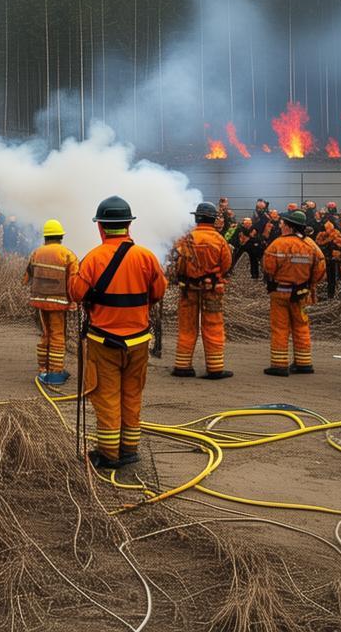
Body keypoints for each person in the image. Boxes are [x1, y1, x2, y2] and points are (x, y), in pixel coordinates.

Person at [68, 196, 166, 470]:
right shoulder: (146, 256)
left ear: (100, 227)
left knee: (107, 396)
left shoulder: (93, 259)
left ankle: (109, 454)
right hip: (138, 342)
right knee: (132, 394)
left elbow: (76, 294)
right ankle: (129, 450)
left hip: (104, 342)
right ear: (128, 226)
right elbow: (158, 291)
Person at [171, 202, 234, 379]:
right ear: (213, 219)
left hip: (187, 289)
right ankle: (215, 368)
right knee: (213, 325)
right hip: (211, 289)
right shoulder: (219, 239)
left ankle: (182, 366)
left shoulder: (185, 238)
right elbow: (226, 263)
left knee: (186, 326)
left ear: (197, 218)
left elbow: (176, 264)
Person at [261, 210, 326, 377]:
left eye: (283, 223)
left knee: (280, 328)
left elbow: (268, 267)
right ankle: (304, 363)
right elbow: (321, 268)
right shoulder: (311, 245)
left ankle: (279, 365)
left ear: (289, 226)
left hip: (279, 293)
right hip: (302, 293)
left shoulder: (277, 244)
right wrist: (310, 283)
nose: (280, 225)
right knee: (301, 326)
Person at [26, 219, 79, 385]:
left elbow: (27, 276)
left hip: (40, 301)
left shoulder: (36, 252)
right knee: (57, 335)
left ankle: (43, 369)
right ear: (61, 237)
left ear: (45, 237)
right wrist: (74, 301)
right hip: (59, 302)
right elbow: (73, 281)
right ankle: (56, 373)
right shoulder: (68, 254)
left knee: (46, 334)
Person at [315, 216, 341, 299]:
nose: (328, 229)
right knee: (329, 278)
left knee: (338, 277)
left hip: (335, 259)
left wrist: (336, 248)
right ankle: (330, 295)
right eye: (327, 227)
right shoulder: (321, 234)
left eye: (330, 227)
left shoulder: (337, 233)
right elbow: (318, 245)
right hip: (326, 259)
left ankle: (338, 294)